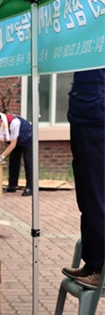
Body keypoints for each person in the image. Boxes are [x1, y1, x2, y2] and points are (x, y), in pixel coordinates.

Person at [61, 68, 105, 289]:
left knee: (97, 196)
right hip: (83, 112)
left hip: (96, 116)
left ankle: (101, 268)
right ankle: (92, 263)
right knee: (86, 198)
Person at [0, 110, 33, 196]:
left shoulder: (14, 123)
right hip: (14, 138)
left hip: (26, 136)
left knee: (28, 161)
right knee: (13, 160)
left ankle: (30, 187)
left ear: (0, 121)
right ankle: (12, 185)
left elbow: (13, 144)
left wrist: (1, 157)